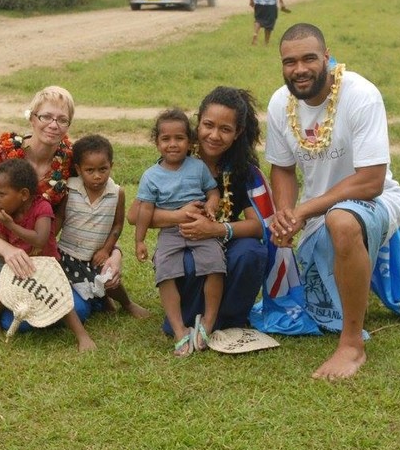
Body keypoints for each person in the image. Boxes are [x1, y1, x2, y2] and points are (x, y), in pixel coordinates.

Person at [265, 23, 400, 380]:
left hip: (376, 200)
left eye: (309, 58)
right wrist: (284, 213)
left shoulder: (361, 94)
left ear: (327, 58)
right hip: (316, 210)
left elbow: (371, 181)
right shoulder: (279, 103)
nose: (299, 69)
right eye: (290, 61)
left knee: (342, 221)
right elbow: (281, 169)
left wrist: (304, 211)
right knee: (331, 229)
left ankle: (351, 345)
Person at [0, 85, 123, 328]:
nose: (53, 124)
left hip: (40, 253)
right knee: (17, 319)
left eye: (62, 119)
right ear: (32, 117)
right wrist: (7, 251)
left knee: (76, 310)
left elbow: (94, 212)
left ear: (69, 125)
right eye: (46, 116)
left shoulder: (70, 162)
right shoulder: (2, 157)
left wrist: (116, 253)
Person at [127, 87, 269, 343]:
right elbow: (134, 215)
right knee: (188, 262)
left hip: (223, 243)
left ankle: (227, 321)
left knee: (251, 252)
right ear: (197, 124)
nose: (214, 135)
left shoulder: (242, 171)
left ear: (237, 133)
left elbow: (258, 226)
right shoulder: (176, 157)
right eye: (208, 125)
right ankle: (185, 321)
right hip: (184, 242)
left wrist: (216, 230)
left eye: (225, 129)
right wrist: (178, 215)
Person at [134, 109, 226, 356]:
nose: (173, 144)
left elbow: (213, 192)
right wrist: (140, 240)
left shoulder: (198, 167)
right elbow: (144, 210)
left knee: (215, 265)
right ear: (157, 142)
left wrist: (210, 205)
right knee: (165, 271)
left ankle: (208, 321)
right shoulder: (151, 176)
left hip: (200, 228)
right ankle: (179, 329)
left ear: (190, 142)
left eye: (179, 138)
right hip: (170, 233)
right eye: (166, 139)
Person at [0, 159, 95, 351]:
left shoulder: (41, 207)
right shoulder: (1, 214)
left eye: (1, 194)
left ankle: (82, 336)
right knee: (2, 289)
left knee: (59, 295)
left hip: (46, 266)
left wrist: (11, 225)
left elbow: (40, 240)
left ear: (24, 194)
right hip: (18, 266)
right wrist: (10, 263)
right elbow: (2, 246)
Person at [57, 134, 149, 319]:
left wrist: (106, 250)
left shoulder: (117, 193)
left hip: (96, 253)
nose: (97, 176)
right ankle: (102, 300)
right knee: (70, 285)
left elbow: (117, 225)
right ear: (78, 169)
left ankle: (127, 303)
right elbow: (59, 216)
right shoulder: (69, 189)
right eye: (89, 170)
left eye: (103, 169)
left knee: (109, 281)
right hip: (67, 253)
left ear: (111, 166)